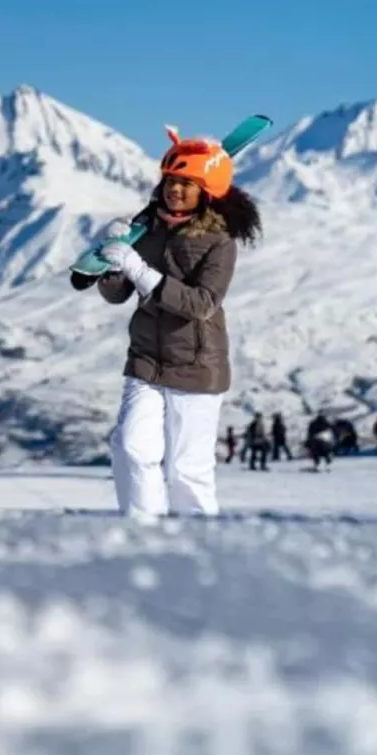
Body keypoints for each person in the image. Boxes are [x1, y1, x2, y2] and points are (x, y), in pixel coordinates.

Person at [90, 124, 263, 519]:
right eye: (171, 180)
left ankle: (198, 554)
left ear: (207, 190)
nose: (175, 189)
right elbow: (117, 294)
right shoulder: (146, 228)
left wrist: (139, 269)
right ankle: (142, 535)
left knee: (187, 471)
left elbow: (203, 303)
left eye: (187, 183)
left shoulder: (220, 242)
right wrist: (113, 264)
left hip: (196, 366)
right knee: (130, 447)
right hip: (147, 359)